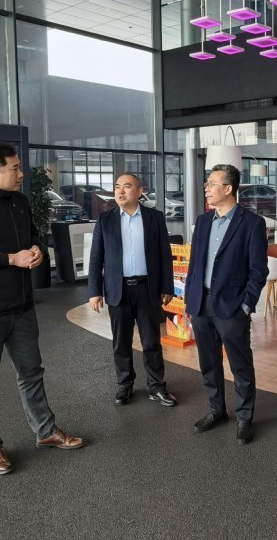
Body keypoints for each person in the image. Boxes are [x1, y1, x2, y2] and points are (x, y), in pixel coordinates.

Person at [0, 143, 84, 476]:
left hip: (22, 306)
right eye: (15, 168)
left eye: (21, 167)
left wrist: (37, 249)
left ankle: (46, 431)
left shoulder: (21, 202)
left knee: (32, 373)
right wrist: (12, 258)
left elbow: (33, 236)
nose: (22, 174)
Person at [185, 164, 268, 445]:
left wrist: (245, 306)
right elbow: (194, 265)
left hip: (232, 307)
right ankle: (216, 410)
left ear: (229, 188)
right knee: (208, 363)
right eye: (207, 183)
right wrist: (190, 302)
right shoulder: (203, 222)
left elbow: (258, 270)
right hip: (201, 304)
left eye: (212, 183)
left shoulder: (252, 223)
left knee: (240, 365)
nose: (207, 188)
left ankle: (245, 418)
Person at [87, 173, 177, 408]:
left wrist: (167, 286)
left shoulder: (154, 218)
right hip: (118, 290)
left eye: (127, 186)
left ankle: (156, 386)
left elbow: (164, 255)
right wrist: (94, 291)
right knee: (121, 342)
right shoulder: (105, 219)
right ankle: (125, 384)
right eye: (117, 186)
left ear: (139, 191)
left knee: (151, 341)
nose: (120, 191)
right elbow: (96, 257)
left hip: (148, 289)